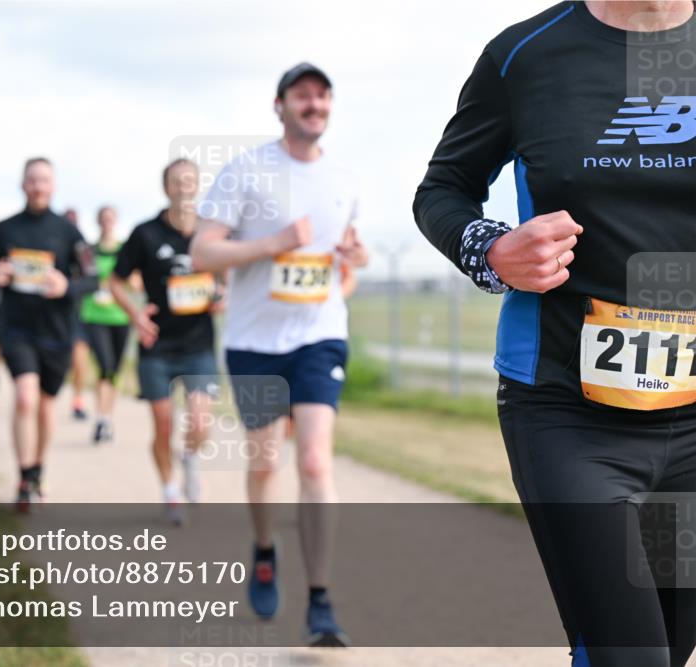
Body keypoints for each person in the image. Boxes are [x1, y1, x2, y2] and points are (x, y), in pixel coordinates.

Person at [413, 2, 695, 665]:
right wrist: (493, 249)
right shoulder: (526, 55)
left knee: (667, 645)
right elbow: (443, 190)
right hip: (567, 412)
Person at [191, 63, 368, 647]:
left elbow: (343, 270)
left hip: (318, 337)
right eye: (302, 95)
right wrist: (274, 243)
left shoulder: (344, 178)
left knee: (315, 463)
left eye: (321, 95)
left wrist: (352, 262)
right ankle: (264, 550)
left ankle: (321, 600)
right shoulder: (247, 171)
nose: (313, 104)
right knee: (265, 459)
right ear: (280, 105)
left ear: (330, 105)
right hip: (254, 343)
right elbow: (202, 255)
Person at [0, 158, 97, 510]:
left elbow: (92, 279)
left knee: (46, 407)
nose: (38, 186)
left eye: (44, 180)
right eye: (32, 180)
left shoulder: (69, 232)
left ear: (54, 186)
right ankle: (24, 475)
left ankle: (38, 470)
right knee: (25, 398)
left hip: (57, 332)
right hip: (17, 328)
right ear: (22, 184)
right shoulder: (5, 229)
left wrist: (67, 285)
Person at [109, 158, 222, 525]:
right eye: (177, 181)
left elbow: (232, 274)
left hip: (198, 344)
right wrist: (136, 314)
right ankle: (170, 490)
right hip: (156, 345)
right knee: (162, 425)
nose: (184, 187)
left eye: (190, 181)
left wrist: (223, 294)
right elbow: (115, 281)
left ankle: (190, 458)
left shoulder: (212, 232)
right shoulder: (145, 234)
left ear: (198, 185)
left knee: (200, 423)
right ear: (166, 188)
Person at [80, 206, 132, 444]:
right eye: (103, 219)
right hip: (95, 315)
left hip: (120, 316)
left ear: (116, 221)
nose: (107, 223)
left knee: (115, 371)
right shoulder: (89, 251)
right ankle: (101, 418)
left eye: (111, 219)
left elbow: (137, 282)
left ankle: (108, 417)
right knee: (104, 365)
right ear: (98, 222)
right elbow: (80, 279)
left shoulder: (125, 251)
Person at [64, 207, 91, 421]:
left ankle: (78, 401)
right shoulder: (51, 245)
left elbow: (93, 279)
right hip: (51, 317)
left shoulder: (83, 247)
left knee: (79, 360)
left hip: (78, 315)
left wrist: (69, 288)